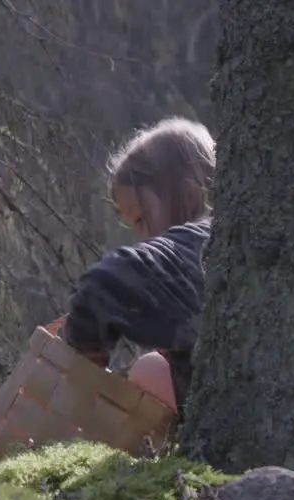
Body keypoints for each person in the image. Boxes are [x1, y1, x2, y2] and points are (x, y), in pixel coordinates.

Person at [60, 117, 215, 417]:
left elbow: (102, 284)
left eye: (142, 219)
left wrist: (82, 359)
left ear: (191, 193)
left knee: (149, 370)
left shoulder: (198, 242)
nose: (142, 238)